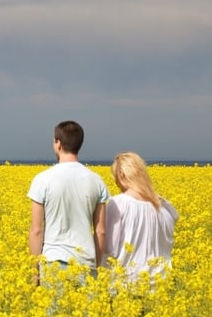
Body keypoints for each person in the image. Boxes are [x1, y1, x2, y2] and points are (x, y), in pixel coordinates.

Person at [27, 121, 109, 282]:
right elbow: (100, 231)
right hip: (86, 263)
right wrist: (97, 268)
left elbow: (36, 230)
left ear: (58, 143)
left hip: (54, 263)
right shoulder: (96, 181)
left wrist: (34, 272)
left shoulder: (42, 180)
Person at [102, 151, 179, 282]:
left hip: (128, 283)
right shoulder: (166, 207)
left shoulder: (118, 204)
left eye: (116, 178)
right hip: (161, 284)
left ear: (121, 174)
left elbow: (110, 248)